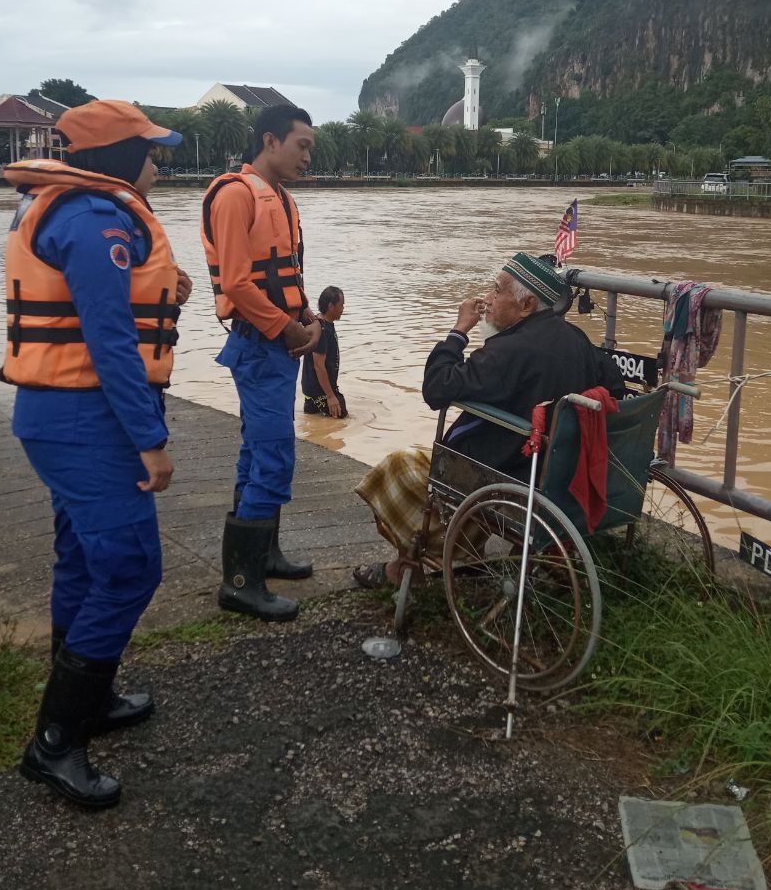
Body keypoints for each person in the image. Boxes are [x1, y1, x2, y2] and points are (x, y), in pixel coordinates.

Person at [1, 100, 190, 809]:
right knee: (131, 567)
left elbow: (109, 321)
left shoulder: (63, 209)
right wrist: (151, 441)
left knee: (82, 558)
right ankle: (54, 743)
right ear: (113, 156)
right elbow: (111, 346)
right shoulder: (97, 220)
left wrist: (166, 298)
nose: (156, 162)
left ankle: (92, 697)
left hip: (60, 412)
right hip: (88, 420)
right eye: (147, 150)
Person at [352, 252, 625, 588]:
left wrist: (459, 330)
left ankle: (405, 567)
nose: (488, 299)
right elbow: (615, 387)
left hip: (504, 480)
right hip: (558, 480)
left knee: (399, 466)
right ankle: (413, 564)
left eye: (497, 291)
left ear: (527, 306)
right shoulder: (576, 340)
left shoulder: (507, 352)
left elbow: (437, 388)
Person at [200, 103, 320, 622]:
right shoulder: (234, 195)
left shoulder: (282, 199)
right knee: (273, 453)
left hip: (278, 343)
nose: (307, 157)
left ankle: (264, 554)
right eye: (302, 146)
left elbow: (283, 273)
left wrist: (307, 314)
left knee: (257, 451)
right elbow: (236, 283)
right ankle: (242, 583)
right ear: (270, 142)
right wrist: (288, 328)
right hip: (260, 344)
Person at [302, 286, 348, 417]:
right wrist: (330, 396)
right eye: (341, 305)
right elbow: (319, 366)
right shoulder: (322, 329)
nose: (343, 309)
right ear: (331, 306)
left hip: (313, 391)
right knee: (344, 422)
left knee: (317, 425)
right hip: (321, 392)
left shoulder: (319, 323)